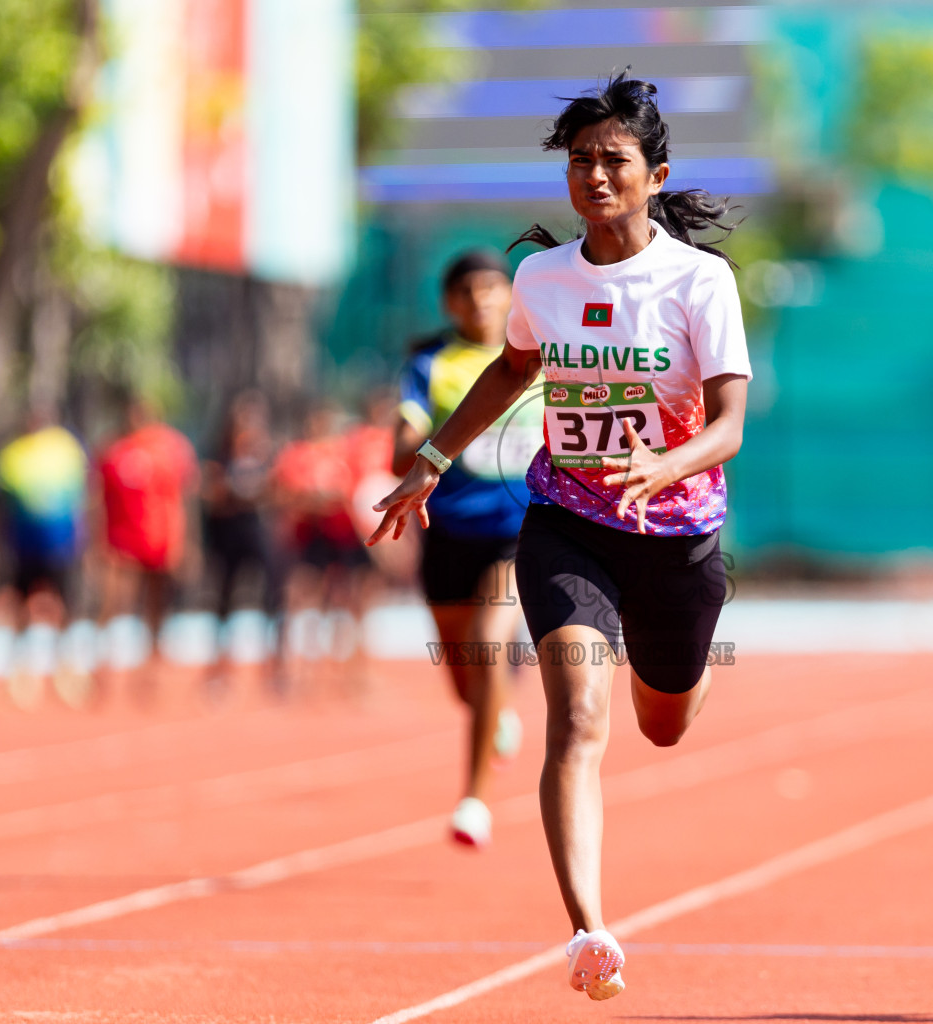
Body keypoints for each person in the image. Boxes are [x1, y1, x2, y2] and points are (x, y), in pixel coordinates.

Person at [369, 73, 750, 1001]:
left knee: (661, 724)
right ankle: (588, 930)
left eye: (614, 160)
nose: (594, 175)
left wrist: (668, 466)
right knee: (578, 717)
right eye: (580, 161)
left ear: (655, 174)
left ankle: (685, 669)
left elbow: (731, 423)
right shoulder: (542, 277)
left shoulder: (699, 281)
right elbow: (512, 371)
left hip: (676, 536)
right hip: (567, 522)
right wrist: (433, 460)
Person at [393, 250, 545, 849]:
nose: (481, 299)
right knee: (465, 681)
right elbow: (405, 429)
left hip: (517, 530)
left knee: (488, 648)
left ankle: (474, 799)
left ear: (511, 296)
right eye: (467, 290)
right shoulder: (430, 364)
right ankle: (496, 711)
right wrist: (412, 444)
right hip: (446, 530)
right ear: (449, 303)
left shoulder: (535, 358)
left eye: (492, 287)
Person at [93, 395, 199, 705]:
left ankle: (149, 674)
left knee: (156, 610)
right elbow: (100, 501)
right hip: (123, 543)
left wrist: (186, 542)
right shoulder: (114, 451)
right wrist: (100, 542)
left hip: (160, 541)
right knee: (115, 604)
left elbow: (183, 498)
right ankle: (104, 671)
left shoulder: (171, 447)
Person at [272, 401, 374, 693]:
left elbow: (355, 493)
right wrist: (317, 501)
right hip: (310, 537)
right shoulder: (296, 455)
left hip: (344, 536)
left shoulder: (343, 454)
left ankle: (354, 674)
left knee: (353, 603)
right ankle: (300, 672)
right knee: (303, 600)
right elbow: (288, 496)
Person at [0, 408, 88, 707]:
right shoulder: (12, 455)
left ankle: (67, 670)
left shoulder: (66, 449)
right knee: (21, 607)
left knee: (65, 608)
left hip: (60, 547)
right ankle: (21, 672)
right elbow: (0, 503)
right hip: (24, 545)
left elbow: (81, 497)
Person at [201, 390, 283, 698]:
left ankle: (274, 670)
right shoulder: (220, 456)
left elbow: (278, 491)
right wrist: (230, 490)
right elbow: (209, 493)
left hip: (256, 533)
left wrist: (258, 489)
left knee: (272, 600)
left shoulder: (268, 455)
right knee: (223, 602)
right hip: (227, 535)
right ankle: (219, 671)